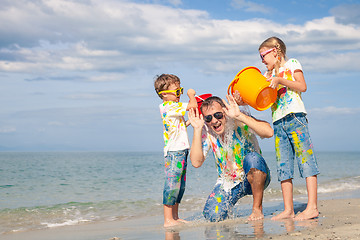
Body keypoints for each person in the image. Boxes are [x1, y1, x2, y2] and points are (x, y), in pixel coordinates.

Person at [258, 36, 320, 221]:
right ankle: (288, 209)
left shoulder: (292, 63)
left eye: (263, 55)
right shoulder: (267, 77)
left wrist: (280, 80)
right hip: (278, 122)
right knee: (283, 166)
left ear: (275, 51)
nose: (262, 60)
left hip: (296, 118)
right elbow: (257, 98)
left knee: (306, 161)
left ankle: (312, 207)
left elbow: (302, 86)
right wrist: (240, 98)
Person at [188, 95, 273, 222]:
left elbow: (268, 132)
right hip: (229, 182)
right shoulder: (208, 131)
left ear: (225, 111)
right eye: (208, 118)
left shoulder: (237, 119)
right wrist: (197, 129)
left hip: (255, 174)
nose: (214, 121)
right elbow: (196, 162)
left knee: (253, 158)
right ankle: (228, 209)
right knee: (212, 216)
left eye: (218, 115)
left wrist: (240, 116)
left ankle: (257, 209)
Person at [154, 74, 197, 228]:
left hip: (181, 149)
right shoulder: (169, 106)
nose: (180, 95)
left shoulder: (172, 108)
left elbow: (176, 128)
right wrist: (191, 94)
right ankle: (168, 219)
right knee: (172, 184)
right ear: (164, 94)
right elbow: (193, 105)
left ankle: (175, 216)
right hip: (174, 152)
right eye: (177, 92)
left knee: (180, 186)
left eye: (181, 91)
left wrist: (188, 123)